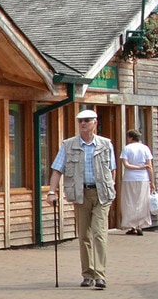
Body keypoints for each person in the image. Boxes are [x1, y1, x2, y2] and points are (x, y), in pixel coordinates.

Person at [50, 108, 118, 289]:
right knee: (84, 236)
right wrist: (51, 191)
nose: (83, 124)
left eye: (87, 120)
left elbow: (112, 169)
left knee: (99, 233)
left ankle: (100, 275)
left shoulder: (105, 144)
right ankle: (87, 274)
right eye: (80, 121)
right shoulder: (69, 144)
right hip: (81, 195)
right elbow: (57, 169)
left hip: (102, 194)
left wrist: (111, 185)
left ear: (95, 123)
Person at [119, 130, 153, 236]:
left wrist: (138, 167)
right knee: (142, 201)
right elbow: (150, 166)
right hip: (143, 178)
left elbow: (126, 164)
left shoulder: (127, 148)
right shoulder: (145, 148)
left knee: (129, 201)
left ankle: (132, 226)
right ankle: (140, 225)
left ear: (130, 138)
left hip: (129, 178)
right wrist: (152, 181)